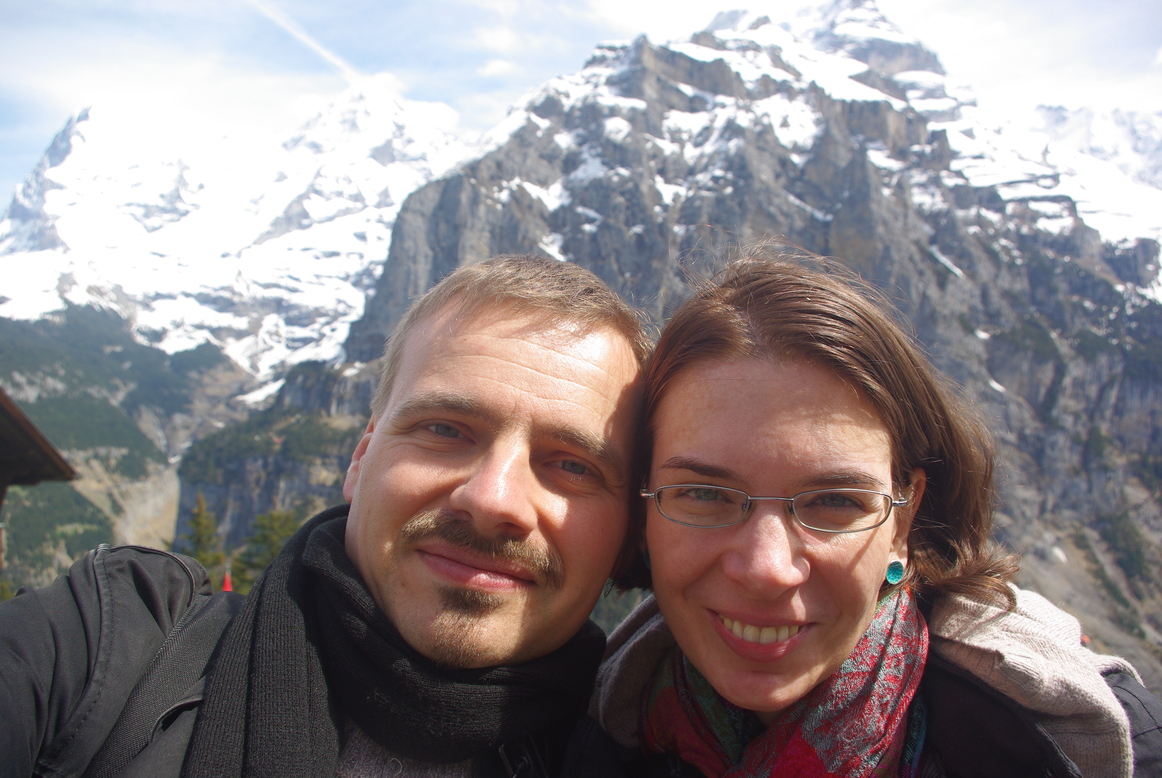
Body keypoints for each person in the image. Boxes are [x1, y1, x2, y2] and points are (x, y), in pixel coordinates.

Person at [0, 255, 648, 778]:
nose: (492, 498)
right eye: (445, 429)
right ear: (361, 457)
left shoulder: (640, 759)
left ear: (630, 536)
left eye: (573, 466)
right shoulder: (112, 640)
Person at [592, 250, 1162, 777]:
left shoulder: (1075, 737)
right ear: (643, 512)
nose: (767, 570)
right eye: (705, 494)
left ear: (902, 524)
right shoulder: (590, 727)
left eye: (835, 501)